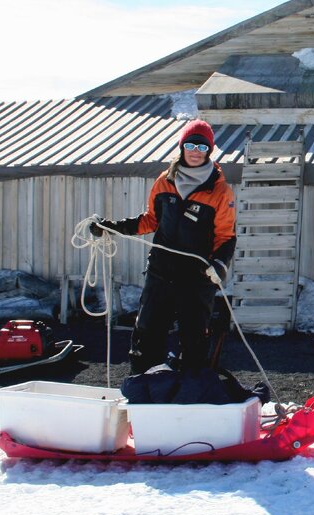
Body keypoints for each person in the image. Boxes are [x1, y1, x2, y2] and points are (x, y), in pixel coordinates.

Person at [91, 119, 236, 375]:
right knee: (147, 332)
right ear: (182, 147)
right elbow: (151, 220)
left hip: (197, 276)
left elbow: (226, 236)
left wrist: (219, 265)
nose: (194, 151)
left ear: (209, 151)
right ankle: (143, 389)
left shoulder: (220, 191)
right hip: (161, 271)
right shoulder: (164, 181)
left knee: (194, 337)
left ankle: (190, 394)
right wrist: (112, 227)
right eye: (190, 144)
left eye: (201, 147)